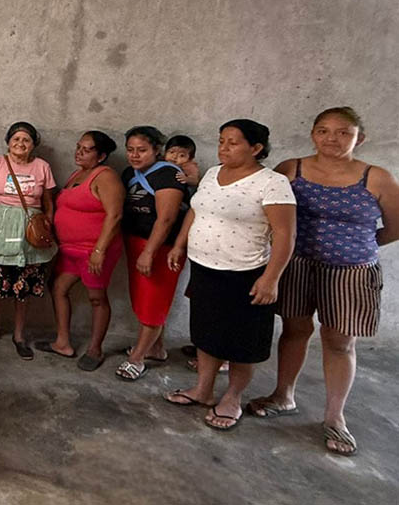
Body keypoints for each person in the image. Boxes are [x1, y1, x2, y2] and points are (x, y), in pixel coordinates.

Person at [246, 107, 399, 455]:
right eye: (324, 130)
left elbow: (395, 226)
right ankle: (283, 395)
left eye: (343, 132)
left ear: (360, 138)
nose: (332, 138)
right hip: (297, 264)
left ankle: (334, 416)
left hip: (351, 271)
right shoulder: (291, 169)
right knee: (294, 330)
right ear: (313, 134)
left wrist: (360, 244)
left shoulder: (376, 178)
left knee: (339, 342)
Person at [164, 119, 296, 431]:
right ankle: (203, 390)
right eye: (221, 141)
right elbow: (196, 211)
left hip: (246, 274)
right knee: (206, 334)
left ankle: (233, 398)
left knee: (241, 342)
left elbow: (285, 234)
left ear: (256, 148)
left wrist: (271, 278)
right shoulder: (212, 174)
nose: (223, 148)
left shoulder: (272, 182)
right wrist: (180, 245)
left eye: (233, 143)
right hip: (205, 269)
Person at [0, 122, 57, 360]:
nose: (20, 144)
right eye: (16, 139)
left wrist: (46, 227)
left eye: (26, 140)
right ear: (8, 142)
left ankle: (19, 336)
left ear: (33, 144)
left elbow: (48, 203)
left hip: (28, 232)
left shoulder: (42, 167)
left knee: (24, 287)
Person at [44, 131, 124, 370]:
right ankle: (62, 342)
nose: (79, 152)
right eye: (78, 147)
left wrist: (99, 250)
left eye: (86, 149)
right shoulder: (77, 174)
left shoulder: (106, 177)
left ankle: (95, 349)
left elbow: (115, 215)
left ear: (101, 156)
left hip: (93, 250)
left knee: (96, 298)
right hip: (69, 250)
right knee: (58, 288)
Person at [114, 126, 188, 380]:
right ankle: (156, 348)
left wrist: (149, 252)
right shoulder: (129, 173)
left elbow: (166, 219)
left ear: (157, 150)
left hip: (160, 248)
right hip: (135, 242)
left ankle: (137, 359)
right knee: (144, 300)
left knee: (154, 301)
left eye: (142, 150)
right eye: (130, 150)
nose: (135, 155)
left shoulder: (168, 175)